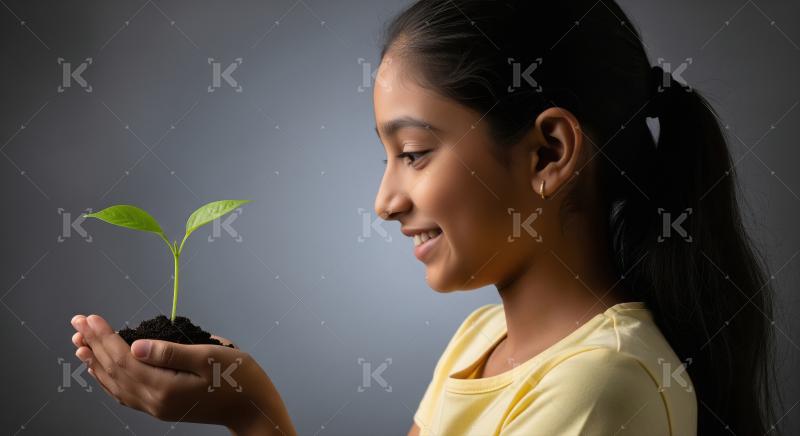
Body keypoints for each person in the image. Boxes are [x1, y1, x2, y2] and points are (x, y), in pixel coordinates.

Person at [70, 0, 779, 434]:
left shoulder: (603, 389)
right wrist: (244, 405)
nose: (384, 202)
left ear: (548, 153)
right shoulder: (483, 339)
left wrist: (255, 415)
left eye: (413, 153)